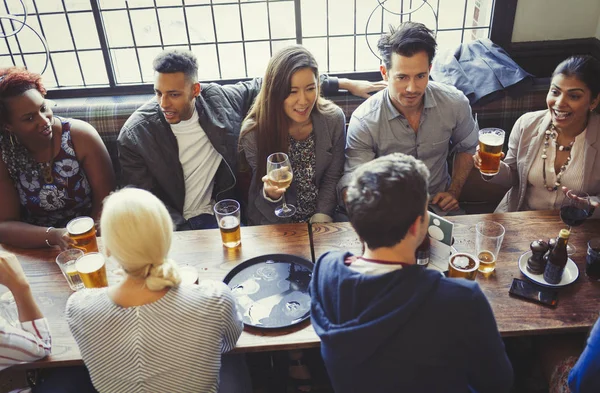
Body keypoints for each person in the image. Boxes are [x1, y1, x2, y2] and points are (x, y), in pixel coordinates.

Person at [310, 153, 513, 392]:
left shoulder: (324, 269)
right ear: (418, 225)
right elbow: (498, 383)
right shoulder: (462, 299)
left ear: (355, 224)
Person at [118, 49, 385, 230]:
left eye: (174, 94)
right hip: (176, 225)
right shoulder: (136, 135)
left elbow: (280, 80)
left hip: (221, 212)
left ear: (195, 90)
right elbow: (145, 202)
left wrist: (346, 83)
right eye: (158, 93)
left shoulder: (220, 101)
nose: (164, 103)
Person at [65, 188, 245, 393]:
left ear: (106, 247)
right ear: (168, 238)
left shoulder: (78, 308)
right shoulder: (215, 299)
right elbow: (229, 343)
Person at [338, 22, 478, 214]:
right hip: (386, 214)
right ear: (385, 74)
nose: (412, 88)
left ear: (430, 69)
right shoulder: (364, 120)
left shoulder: (454, 103)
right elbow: (353, 179)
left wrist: (454, 191)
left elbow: (468, 147)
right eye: (402, 77)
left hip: (440, 208)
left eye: (420, 76)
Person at [0, 67, 115, 250]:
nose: (43, 121)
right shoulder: (4, 155)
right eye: (29, 118)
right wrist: (54, 236)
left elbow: (107, 201)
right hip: (38, 244)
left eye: (43, 108)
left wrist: (84, 240)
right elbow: (5, 225)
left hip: (93, 234)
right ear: (8, 126)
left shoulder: (80, 136)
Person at [473, 55, 600, 217]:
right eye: (555, 92)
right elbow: (513, 176)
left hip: (576, 226)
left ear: (594, 102)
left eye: (574, 96)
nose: (560, 102)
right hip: (521, 219)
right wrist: (493, 167)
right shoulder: (527, 124)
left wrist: (591, 206)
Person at [239, 45, 346, 225]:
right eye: (292, 91)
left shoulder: (333, 119)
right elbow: (257, 193)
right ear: (275, 92)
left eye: (310, 88)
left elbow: (333, 175)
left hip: (324, 217)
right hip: (275, 223)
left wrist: (321, 216)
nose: (303, 101)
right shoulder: (253, 133)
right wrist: (271, 194)